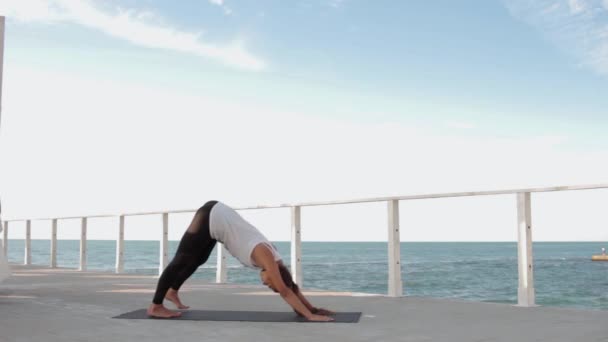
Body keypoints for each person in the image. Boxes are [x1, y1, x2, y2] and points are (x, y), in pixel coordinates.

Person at [147, 200, 335, 322]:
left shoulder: (275, 263)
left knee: (199, 259)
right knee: (181, 260)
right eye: (270, 284)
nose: (265, 283)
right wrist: (309, 316)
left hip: (217, 226)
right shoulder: (266, 256)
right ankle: (156, 306)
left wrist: (313, 309)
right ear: (273, 273)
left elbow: (291, 287)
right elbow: (285, 290)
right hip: (211, 216)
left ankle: (172, 292)